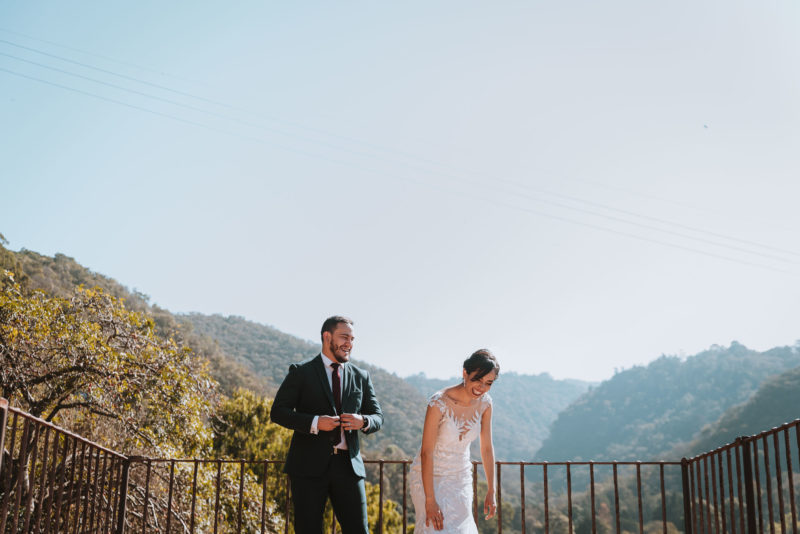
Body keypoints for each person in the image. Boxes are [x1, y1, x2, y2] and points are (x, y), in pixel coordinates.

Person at [270, 316, 383, 534]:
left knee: (359, 530)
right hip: (307, 467)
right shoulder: (301, 372)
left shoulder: (361, 376)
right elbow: (278, 412)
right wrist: (314, 423)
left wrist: (364, 421)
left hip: (348, 467)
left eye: (352, 339)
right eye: (344, 337)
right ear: (327, 337)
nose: (349, 343)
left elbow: (378, 416)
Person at [409, 349, 499, 533]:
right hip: (429, 477)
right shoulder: (438, 402)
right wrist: (430, 500)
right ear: (465, 373)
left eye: (488, 383)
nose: (481, 388)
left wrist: (492, 490)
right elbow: (426, 452)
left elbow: (487, 448)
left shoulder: (485, 404)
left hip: (460, 478)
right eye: (477, 379)